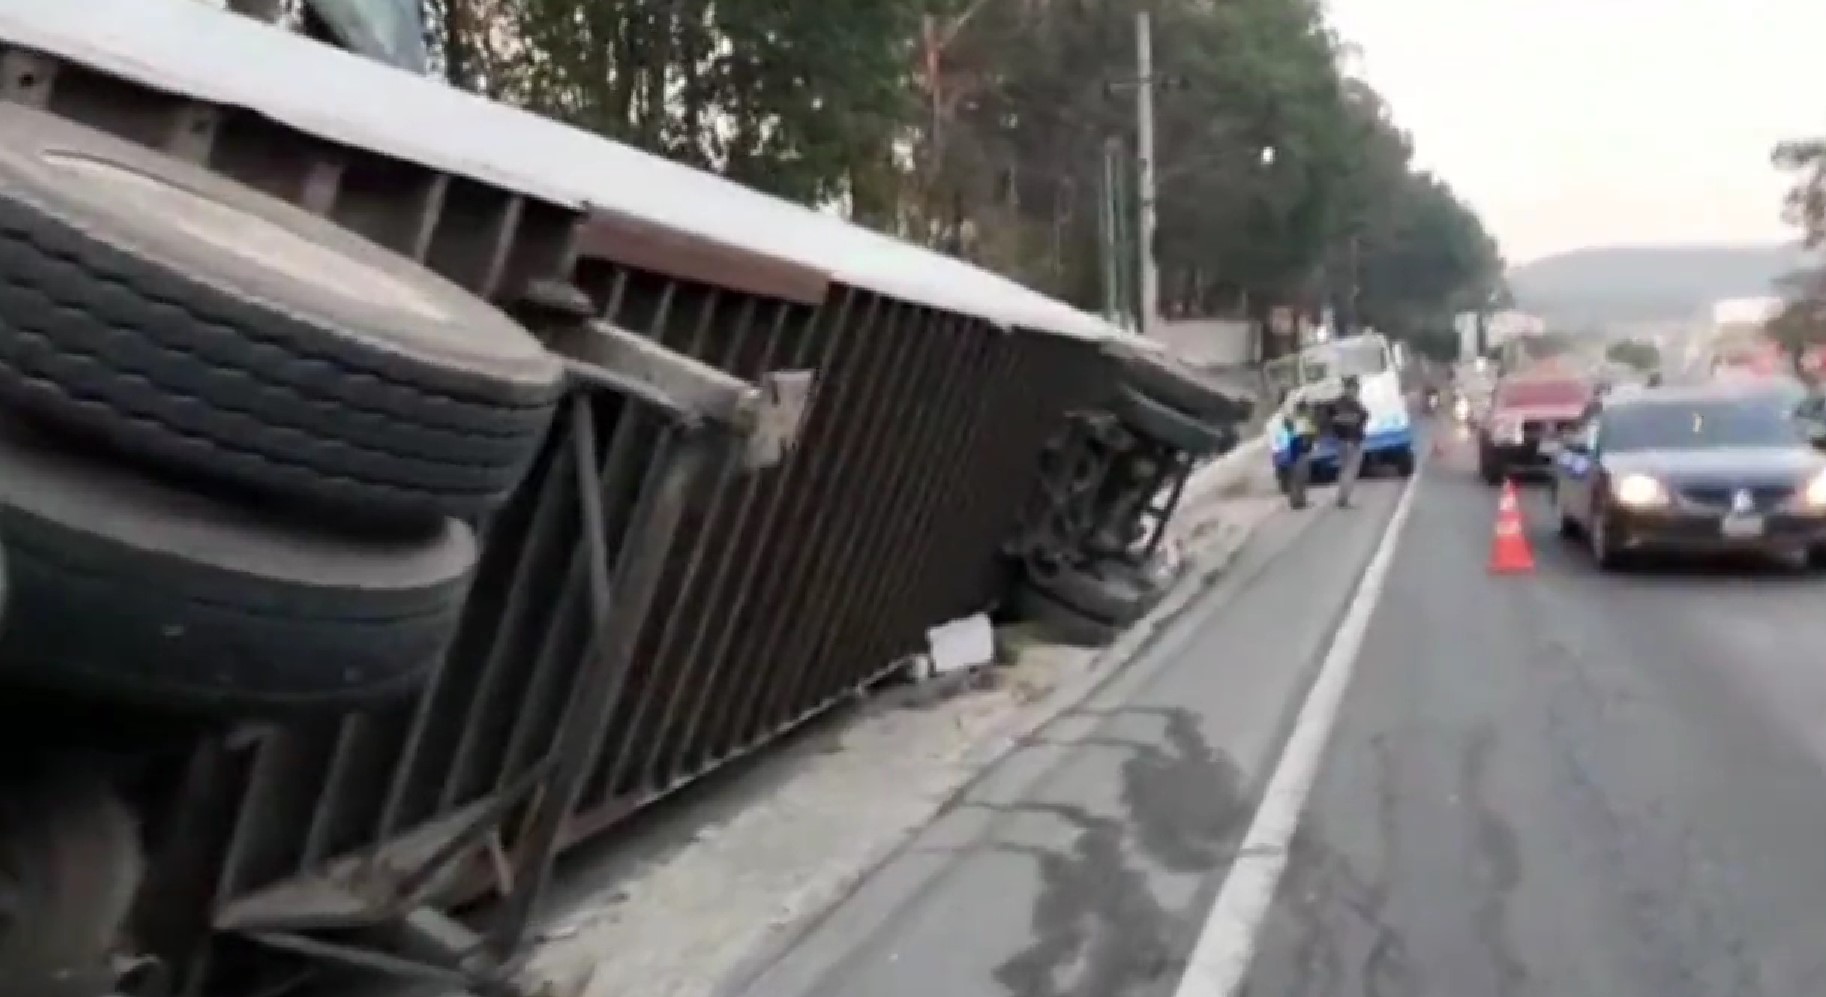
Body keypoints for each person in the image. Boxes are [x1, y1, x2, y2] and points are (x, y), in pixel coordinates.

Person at [1329, 375, 1369, 507]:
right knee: (1350, 470)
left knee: (1345, 470)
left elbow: (1332, 419)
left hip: (1342, 441)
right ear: (1350, 388)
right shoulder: (1351, 404)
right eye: (1355, 387)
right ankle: (1344, 499)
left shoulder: (1337, 403)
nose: (1357, 390)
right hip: (1351, 441)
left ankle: (1342, 497)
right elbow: (1360, 417)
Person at [1283, 397, 1320, 509]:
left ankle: (1298, 501)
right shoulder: (1303, 421)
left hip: (1296, 451)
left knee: (1298, 477)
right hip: (1299, 452)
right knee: (1301, 477)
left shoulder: (1297, 420)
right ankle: (1298, 502)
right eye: (1307, 408)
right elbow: (1310, 434)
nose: (1310, 410)